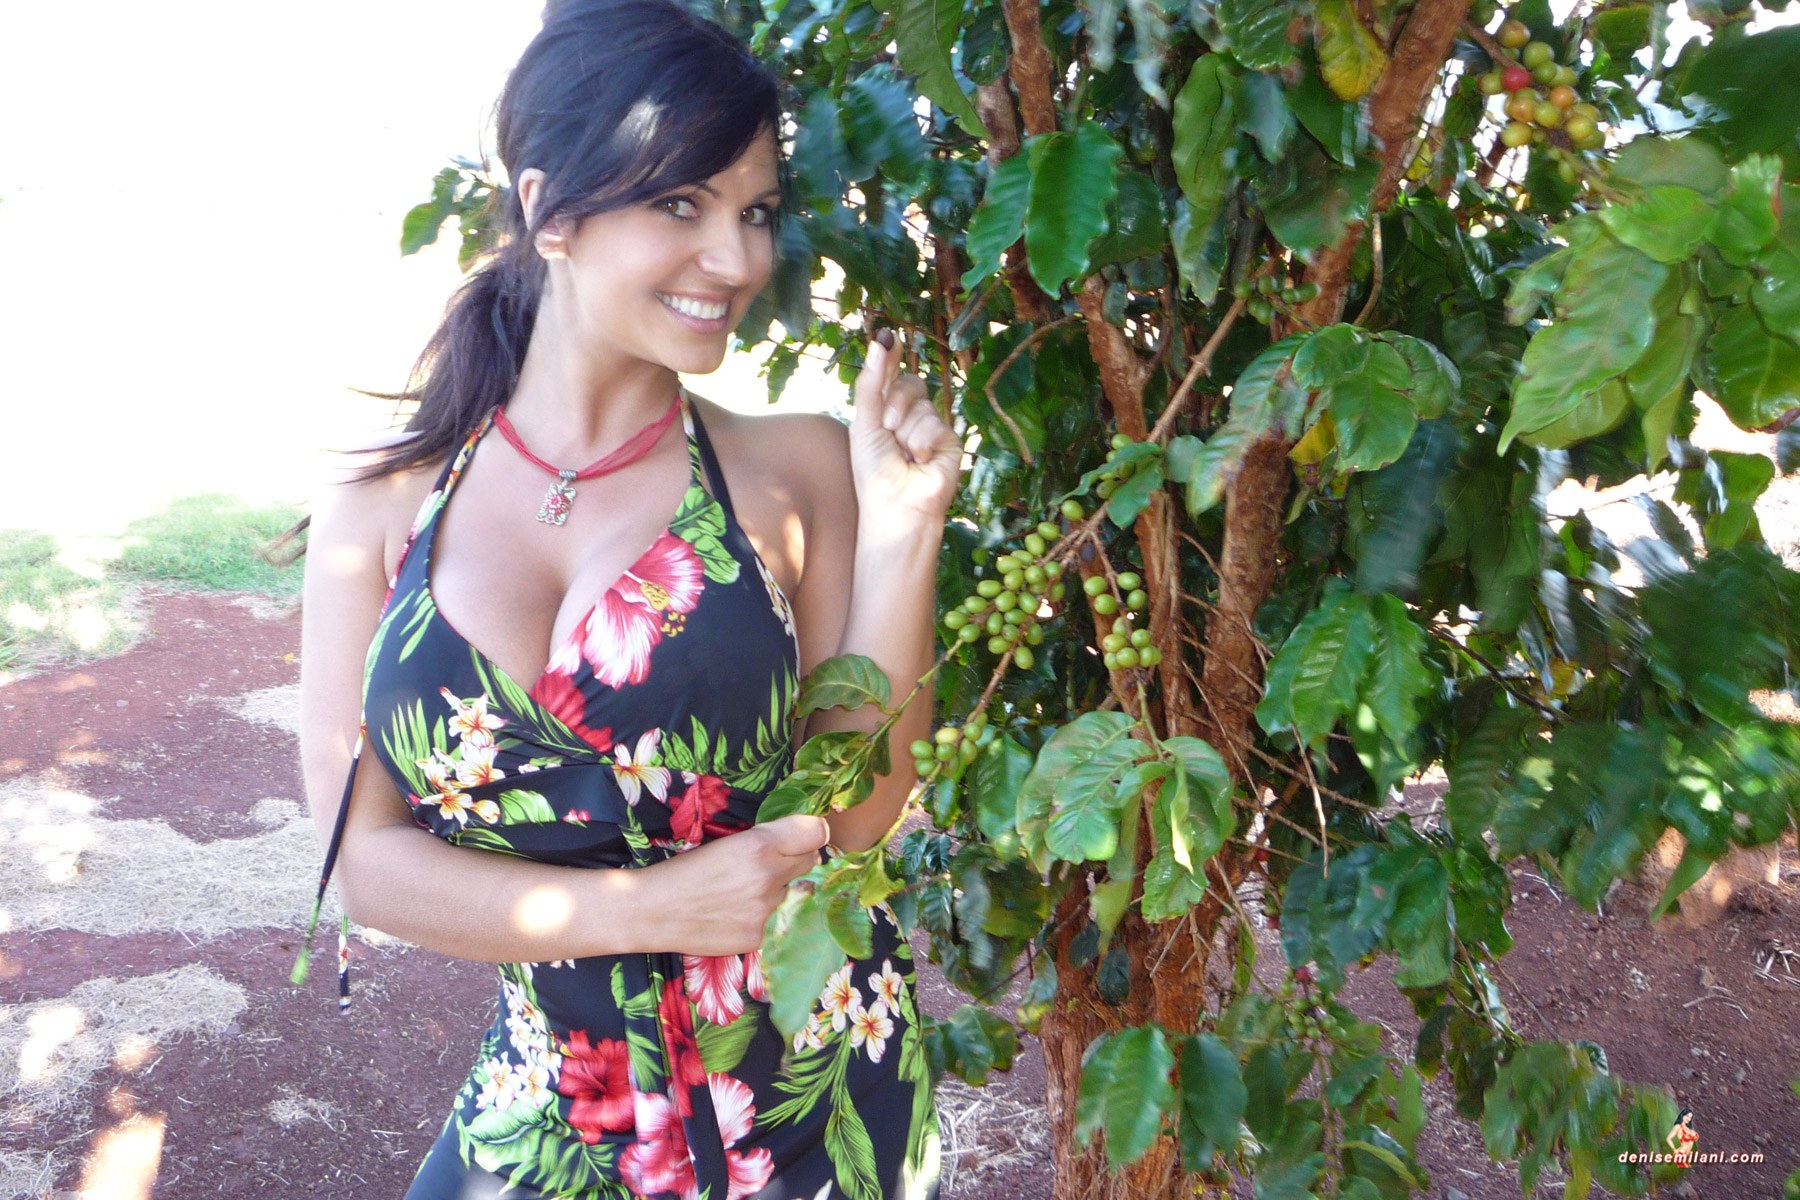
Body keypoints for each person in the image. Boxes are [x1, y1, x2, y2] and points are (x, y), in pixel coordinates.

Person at [295, 2, 958, 1196]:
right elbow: (368, 863)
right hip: (550, 1108)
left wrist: (906, 534)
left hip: (811, 1115)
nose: (740, 261)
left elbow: (855, 818)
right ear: (550, 211)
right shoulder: (382, 517)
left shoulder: (794, 471)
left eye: (755, 211)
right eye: (683, 204)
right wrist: (648, 907)